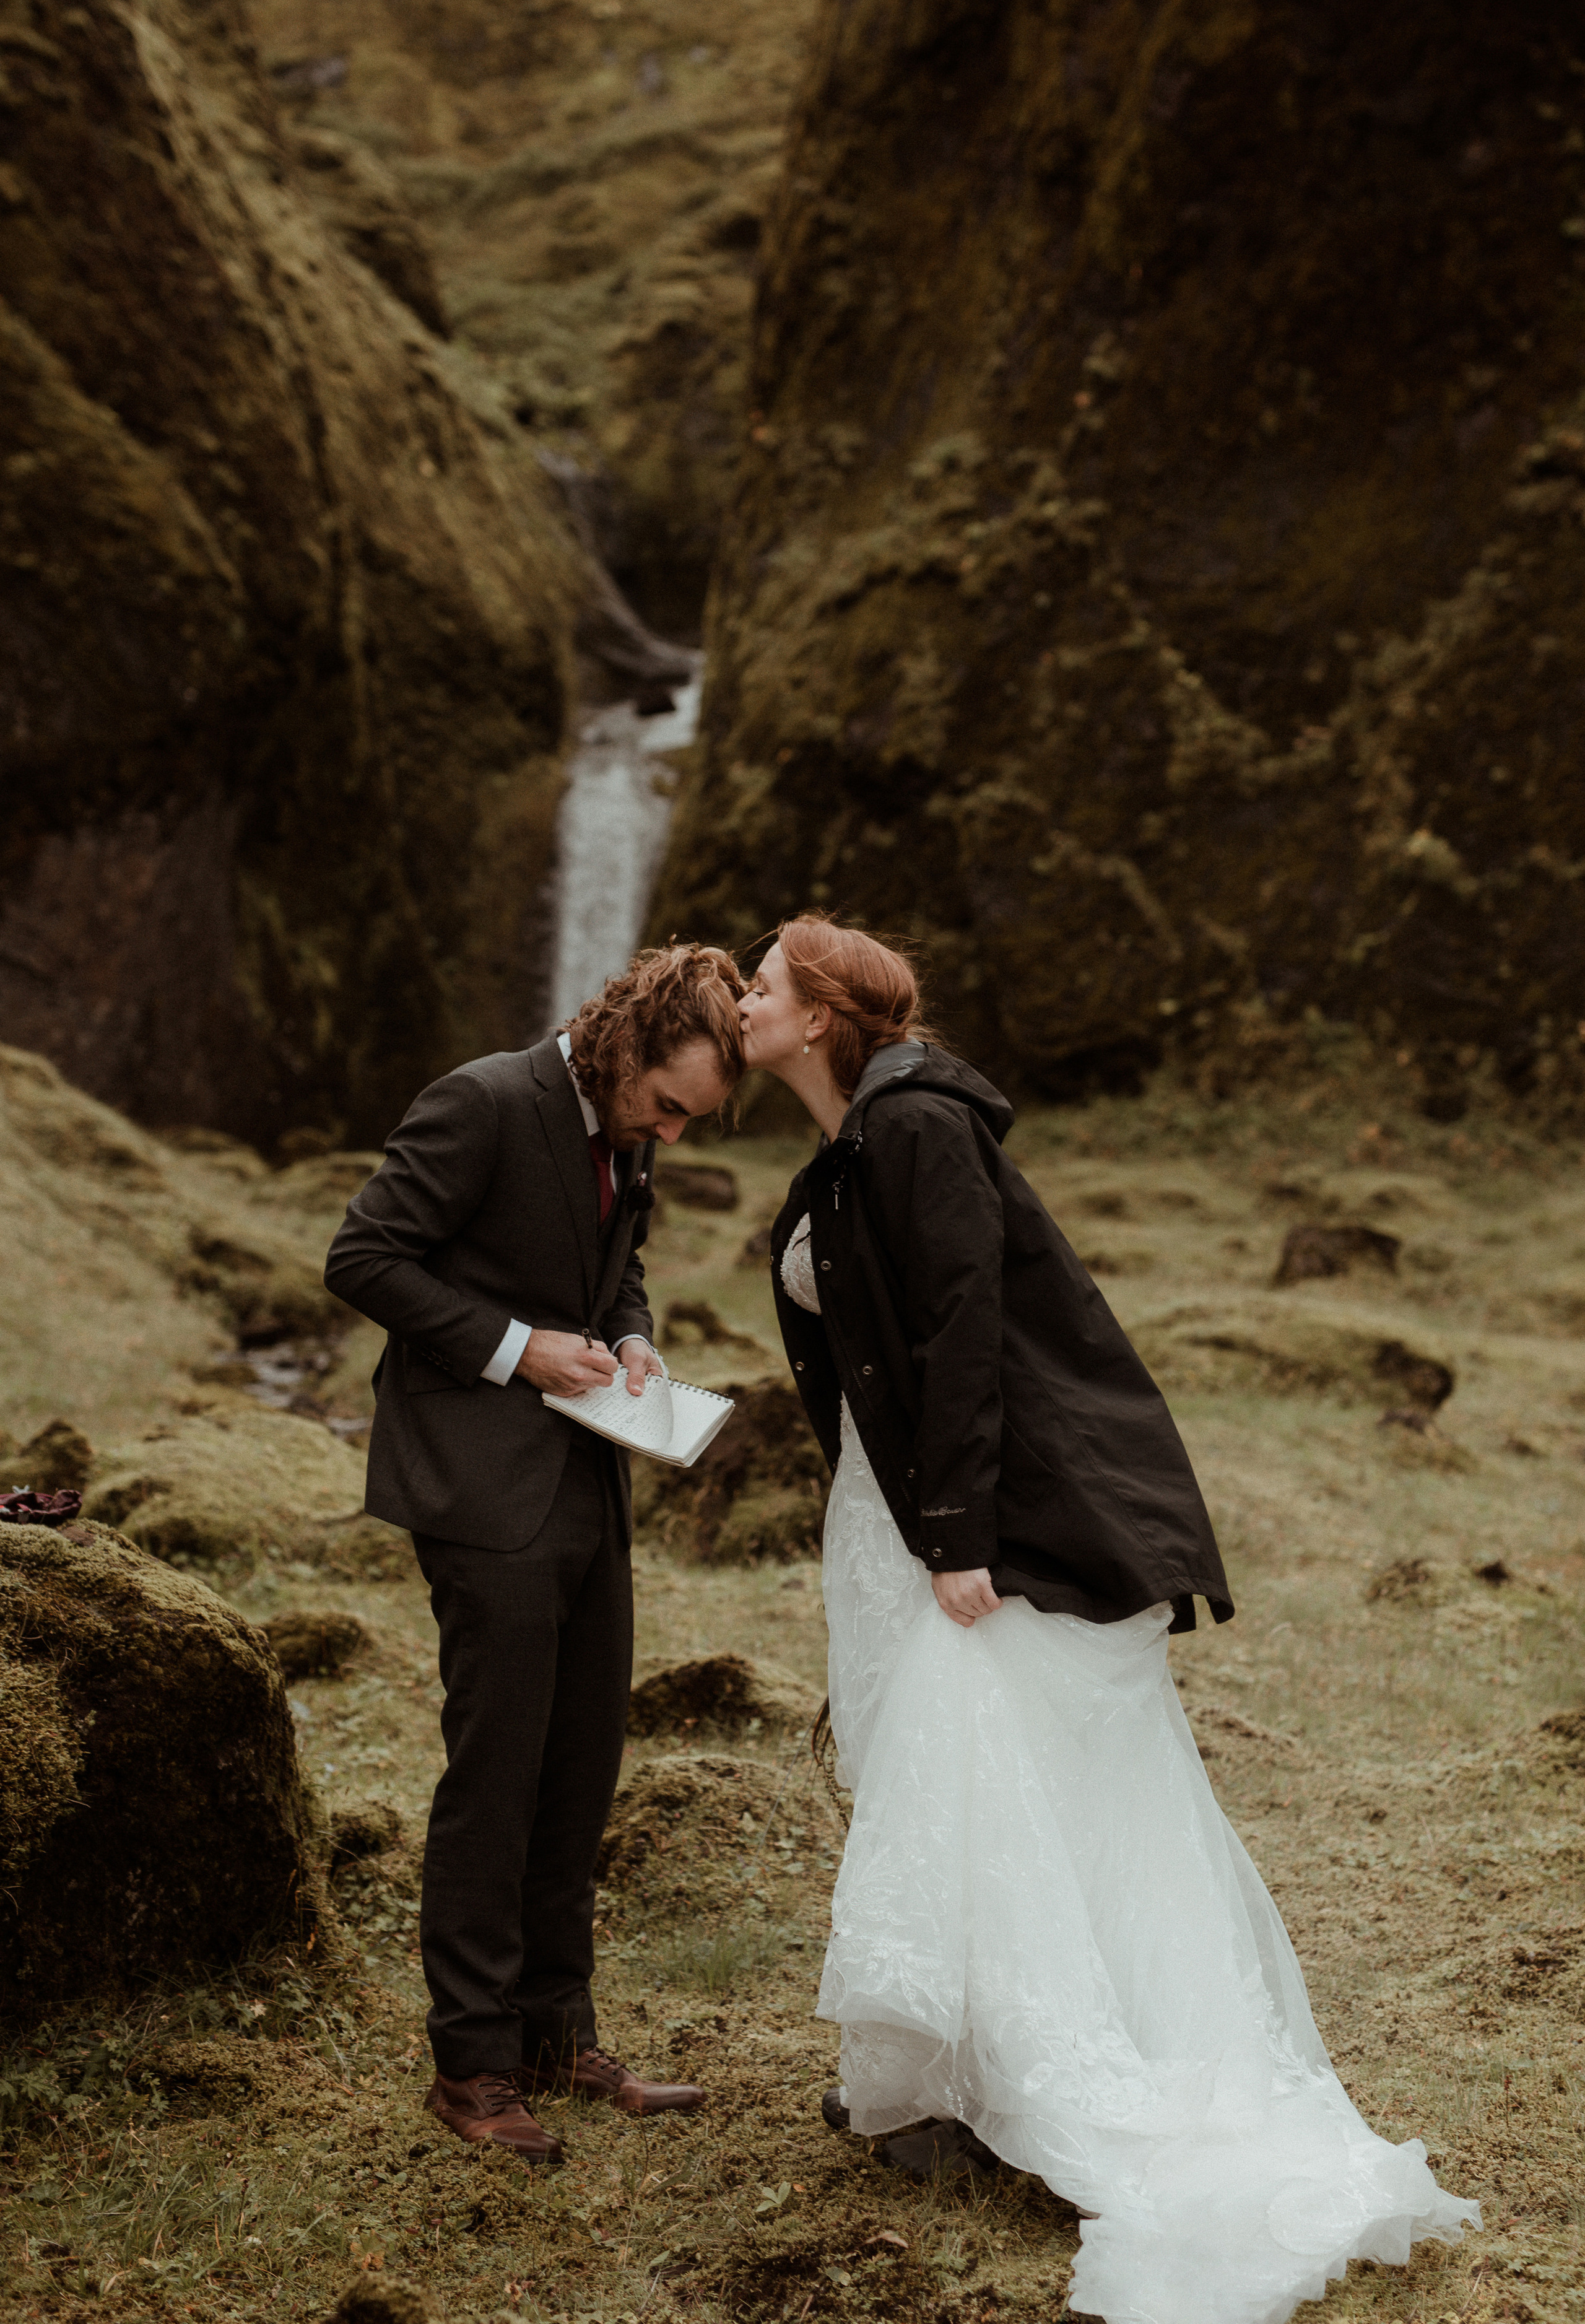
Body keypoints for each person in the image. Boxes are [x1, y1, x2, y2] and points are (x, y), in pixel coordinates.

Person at [740, 914, 1479, 2324]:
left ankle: (1026, 2077)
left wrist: (956, 1535)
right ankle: (934, 2083)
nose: (742, 1002)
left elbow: (966, 1327)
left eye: (764, 987)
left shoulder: (912, 1132)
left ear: (826, 1015)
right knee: (936, 1778)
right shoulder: (852, 1144)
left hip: (959, 1524)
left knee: (988, 1780)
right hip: (886, 1516)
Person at [324, 944, 745, 2162]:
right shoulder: (481, 1101)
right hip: (477, 1483)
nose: (668, 1127)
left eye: (687, 1117)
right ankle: (473, 2067)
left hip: (584, 1478)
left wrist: (629, 1335)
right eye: (665, 1105)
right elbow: (362, 1257)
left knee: (578, 1765)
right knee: (495, 1773)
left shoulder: (633, 1124)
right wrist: (518, 1346)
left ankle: (559, 2037)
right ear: (622, 1049)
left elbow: (621, 1267)